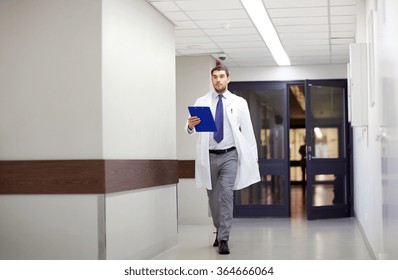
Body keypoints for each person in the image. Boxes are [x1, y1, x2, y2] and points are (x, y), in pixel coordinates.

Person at [185, 65, 260, 255]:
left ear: (228, 78)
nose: (218, 80)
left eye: (221, 76)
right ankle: (219, 230)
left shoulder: (239, 102)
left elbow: (248, 133)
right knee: (213, 199)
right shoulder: (201, 101)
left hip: (230, 155)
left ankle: (224, 238)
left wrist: (253, 159)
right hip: (208, 155)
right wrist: (190, 125)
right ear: (211, 79)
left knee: (226, 195)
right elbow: (190, 128)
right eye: (214, 77)